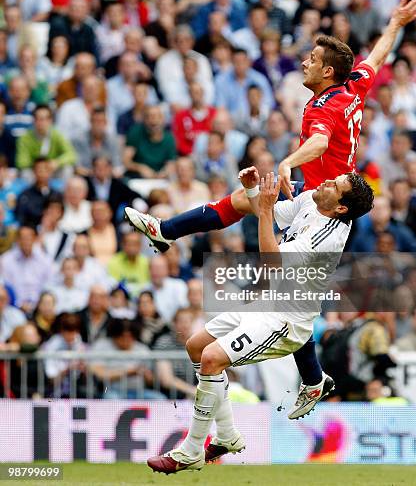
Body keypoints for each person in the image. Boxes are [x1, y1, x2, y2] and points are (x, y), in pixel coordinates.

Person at [124, 0, 416, 254]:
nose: (305, 64)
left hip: (322, 200)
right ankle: (165, 231)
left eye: (313, 60)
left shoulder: (324, 106)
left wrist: (287, 162)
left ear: (328, 71)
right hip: (322, 189)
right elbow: (377, 57)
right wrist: (396, 23)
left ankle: (169, 233)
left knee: (272, 243)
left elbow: (320, 142)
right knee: (244, 199)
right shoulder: (353, 84)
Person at [146, 170, 374, 473]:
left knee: (213, 358)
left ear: (341, 208)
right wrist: (253, 191)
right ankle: (227, 435)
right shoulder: (312, 199)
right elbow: (268, 213)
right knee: (196, 347)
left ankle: (190, 450)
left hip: (286, 322)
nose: (326, 181)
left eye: (335, 185)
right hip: (266, 303)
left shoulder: (326, 237)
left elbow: (272, 262)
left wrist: (264, 207)